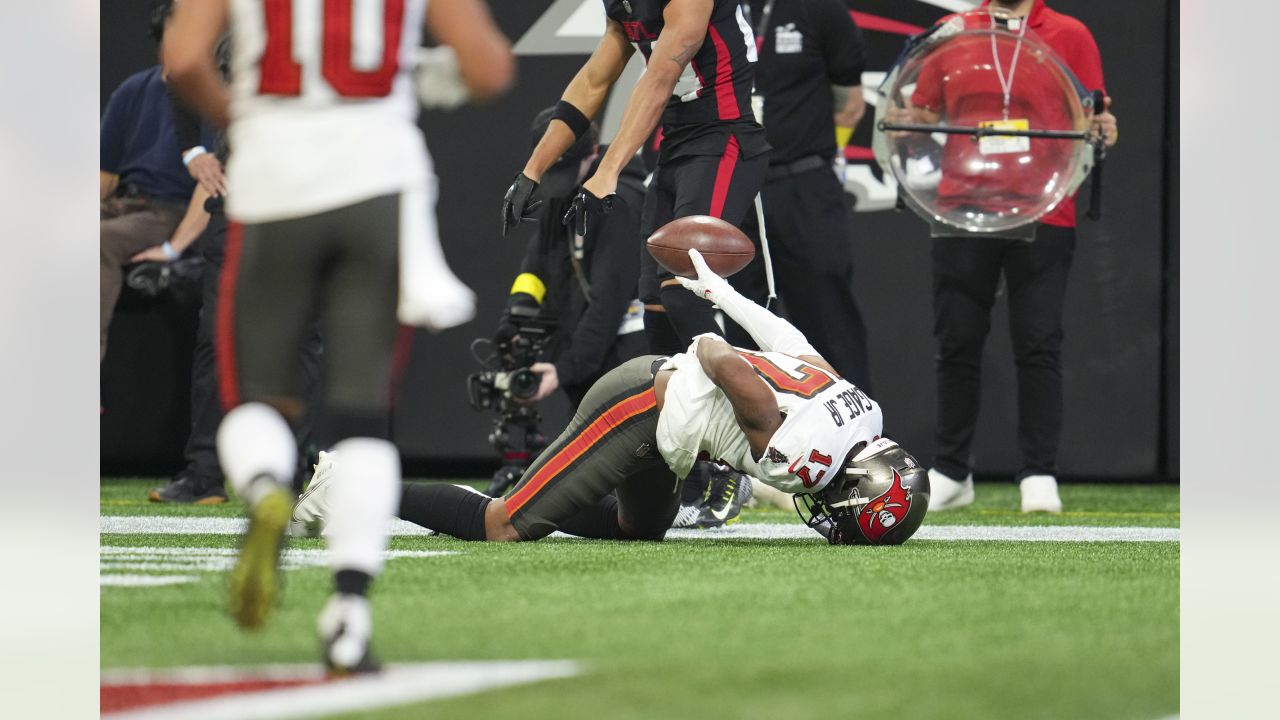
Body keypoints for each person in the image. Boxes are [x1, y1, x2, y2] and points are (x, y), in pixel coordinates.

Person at [163, 0, 513, 673]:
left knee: (257, 399)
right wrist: (418, 77)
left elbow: (182, 60)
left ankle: (267, 487)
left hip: (274, 184)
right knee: (361, 420)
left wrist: (250, 116)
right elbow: (490, 69)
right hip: (374, 185)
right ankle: (349, 616)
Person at [293, 249, 929, 548]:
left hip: (670, 428)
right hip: (641, 406)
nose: (832, 521)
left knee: (639, 527)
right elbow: (726, 362)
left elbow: (793, 345)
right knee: (504, 526)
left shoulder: (864, 412)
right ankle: (342, 483)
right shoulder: (804, 461)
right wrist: (703, 356)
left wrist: (729, 297)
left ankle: (544, 484)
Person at [898, 0, 1119, 513]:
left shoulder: (1070, 33)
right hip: (961, 208)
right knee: (956, 343)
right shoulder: (952, 33)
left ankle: (1039, 475)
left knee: (1039, 344)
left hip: (1045, 208)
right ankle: (952, 472)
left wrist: (1106, 129)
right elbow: (923, 112)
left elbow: (1096, 116)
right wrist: (903, 120)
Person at [501, 0, 770, 357]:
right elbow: (594, 80)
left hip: (725, 140)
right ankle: (678, 409)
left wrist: (607, 171)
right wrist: (532, 171)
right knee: (656, 304)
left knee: (683, 291)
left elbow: (660, 79)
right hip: (675, 145)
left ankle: (747, 404)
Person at [148, 34, 324, 505]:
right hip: (238, 207)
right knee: (216, 338)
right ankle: (205, 472)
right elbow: (178, 70)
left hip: (300, 209)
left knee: (300, 340)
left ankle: (290, 474)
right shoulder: (235, 30)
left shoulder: (320, 51)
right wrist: (192, 152)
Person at [744, 0, 874, 392]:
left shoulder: (819, 10)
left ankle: (859, 443)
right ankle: (748, 448)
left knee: (828, 321)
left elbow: (851, 105)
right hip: (738, 191)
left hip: (803, 184)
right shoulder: (713, 8)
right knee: (743, 328)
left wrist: (807, 146)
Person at [504, 107, 650, 407]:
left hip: (624, 369)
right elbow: (535, 268)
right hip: (588, 370)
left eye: (567, 170)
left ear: (594, 152)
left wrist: (565, 369)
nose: (560, 182)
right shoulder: (562, 197)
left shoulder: (619, 205)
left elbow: (608, 302)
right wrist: (515, 318)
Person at [100, 0, 212, 364]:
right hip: (124, 203)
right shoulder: (134, 90)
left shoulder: (210, 98)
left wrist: (173, 248)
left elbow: (210, 185)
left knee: (97, 242)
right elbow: (104, 174)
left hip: (169, 210)